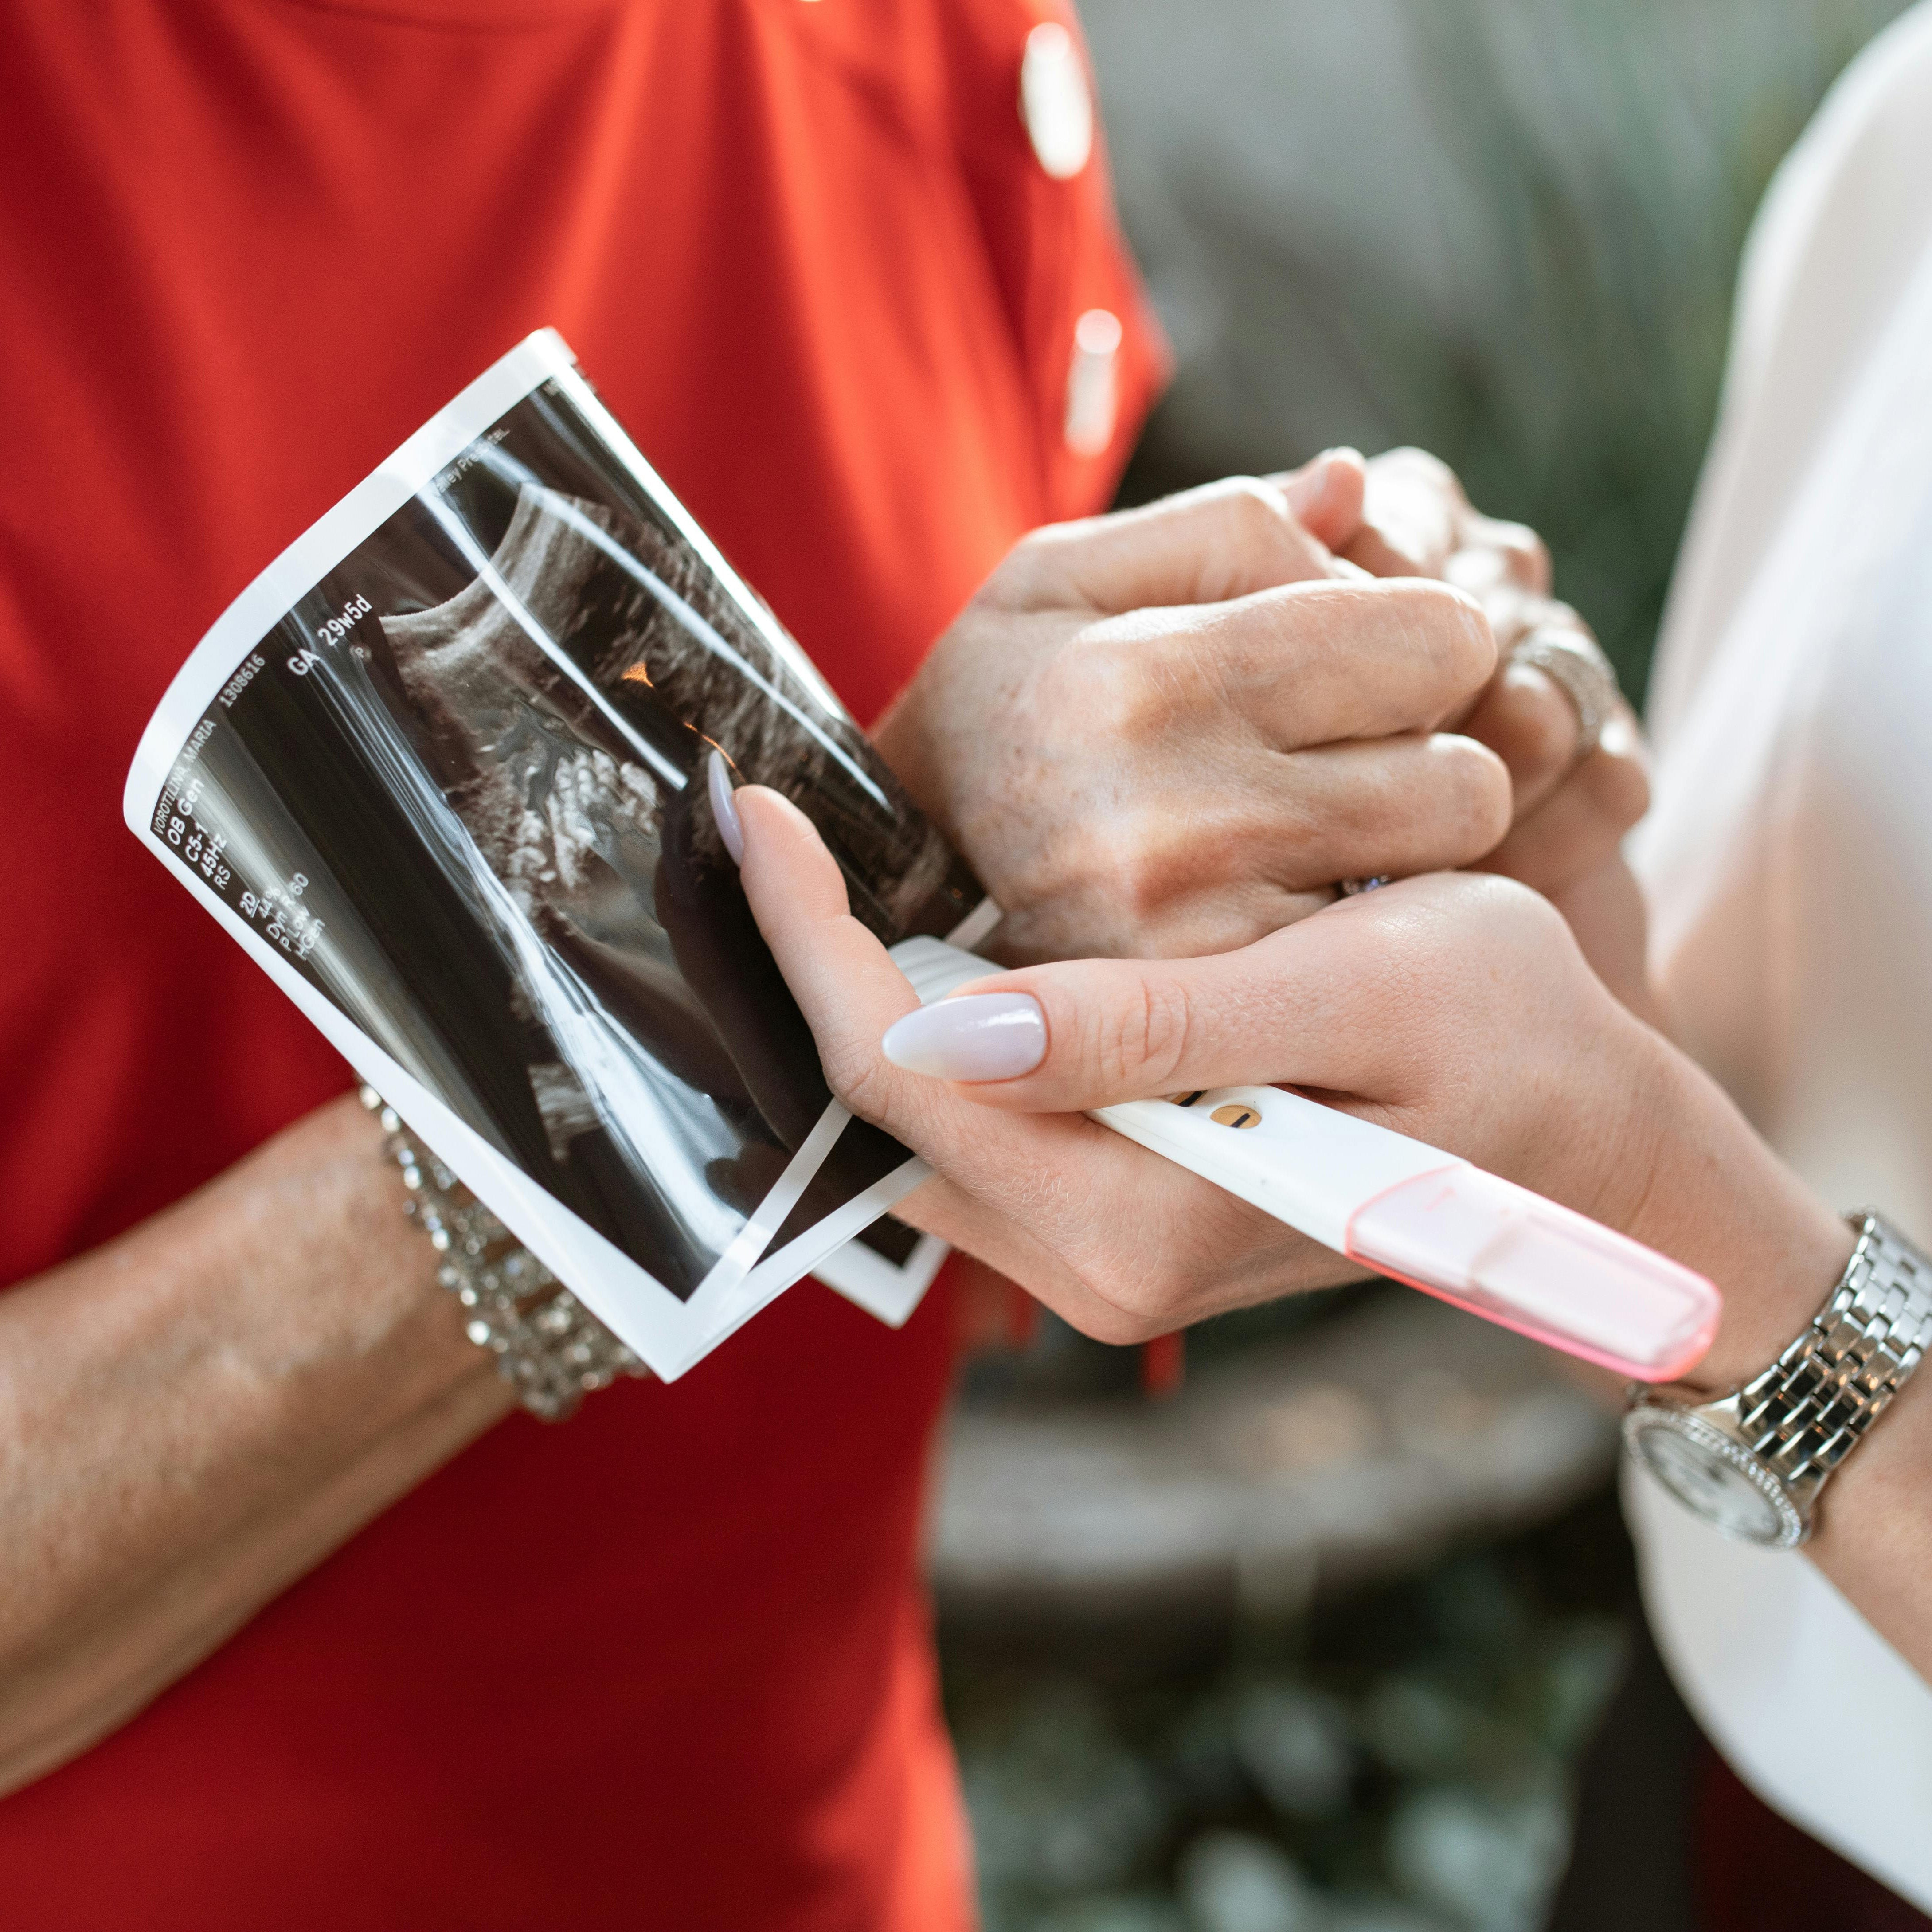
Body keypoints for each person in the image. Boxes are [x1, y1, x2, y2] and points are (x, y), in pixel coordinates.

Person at [0, 3, 1635, 1924]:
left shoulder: (911, 37)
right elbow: (915, 846)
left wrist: (1307, 765)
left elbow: (994, 1006)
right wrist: (702, 1052)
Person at [724, 8, 1932, 1922]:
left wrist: (1686, 1233)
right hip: (1709, 1743)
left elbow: (1717, 1220)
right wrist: (1563, 914)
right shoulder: (1899, 142)